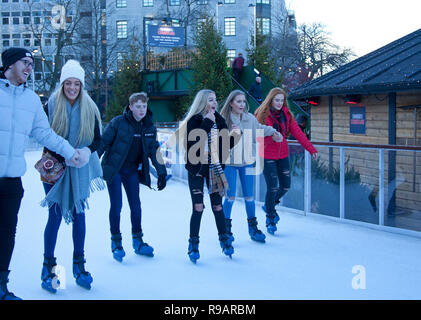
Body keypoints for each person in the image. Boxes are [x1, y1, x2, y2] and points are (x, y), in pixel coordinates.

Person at [0, 48, 80, 300]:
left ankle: (1, 285)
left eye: (31, 64)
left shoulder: (31, 100)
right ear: (10, 64)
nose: (29, 68)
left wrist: (69, 152)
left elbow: (45, 134)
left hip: (12, 180)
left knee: (6, 234)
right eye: (25, 63)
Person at [40, 59, 104, 293]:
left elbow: (99, 139)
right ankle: (47, 267)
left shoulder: (90, 107)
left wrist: (86, 151)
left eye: (76, 83)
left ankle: (79, 266)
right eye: (68, 83)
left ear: (81, 85)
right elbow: (43, 134)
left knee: (79, 214)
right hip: (54, 166)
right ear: (62, 83)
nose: (72, 88)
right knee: (55, 216)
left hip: (80, 167)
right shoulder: (51, 104)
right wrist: (63, 153)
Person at [97, 92, 167, 263]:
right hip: (114, 170)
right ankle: (116, 242)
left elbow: (154, 150)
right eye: (138, 106)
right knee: (117, 205)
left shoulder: (149, 127)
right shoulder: (118, 122)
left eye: (144, 106)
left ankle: (138, 241)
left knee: (136, 206)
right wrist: (90, 166)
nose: (141, 110)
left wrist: (161, 171)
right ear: (130, 107)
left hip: (131, 171)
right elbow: (103, 144)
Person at [175, 89, 239, 263]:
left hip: (215, 168)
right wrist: (207, 123)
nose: (215, 102)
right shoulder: (194, 121)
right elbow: (194, 144)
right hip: (196, 169)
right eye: (211, 99)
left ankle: (224, 239)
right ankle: (193, 244)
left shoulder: (219, 120)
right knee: (198, 207)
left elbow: (225, 146)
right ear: (203, 102)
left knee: (217, 207)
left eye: (216, 99)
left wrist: (236, 135)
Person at [219, 90, 282, 244]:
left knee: (249, 197)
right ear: (231, 103)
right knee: (230, 196)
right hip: (230, 164)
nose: (242, 104)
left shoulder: (250, 119)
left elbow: (259, 129)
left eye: (243, 101)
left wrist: (273, 132)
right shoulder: (224, 120)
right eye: (238, 101)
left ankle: (252, 228)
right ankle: (225, 230)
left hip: (247, 162)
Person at [255, 87, 318, 235]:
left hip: (282, 154)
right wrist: (272, 137)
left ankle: (269, 205)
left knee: (285, 186)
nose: (279, 103)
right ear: (271, 100)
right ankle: (270, 218)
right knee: (272, 187)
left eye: (282, 100)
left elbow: (298, 133)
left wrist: (311, 149)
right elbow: (257, 135)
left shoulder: (287, 115)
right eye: (276, 100)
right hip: (267, 154)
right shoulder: (261, 114)